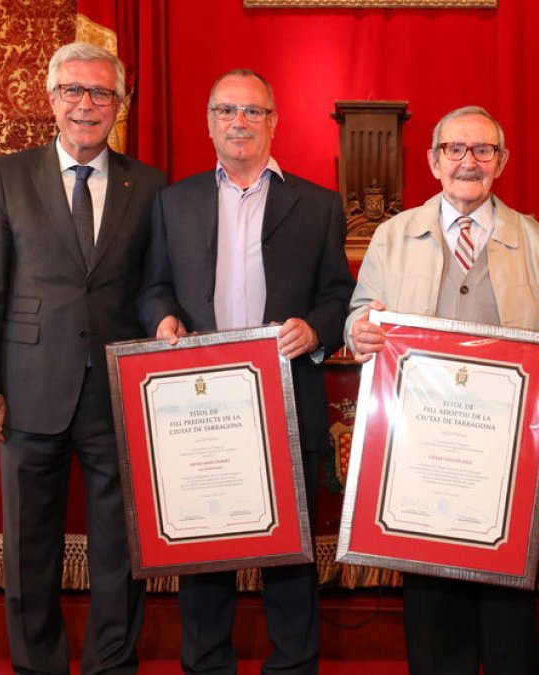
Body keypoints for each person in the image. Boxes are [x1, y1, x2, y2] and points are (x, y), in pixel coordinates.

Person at [345, 105, 539, 675]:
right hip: (417, 454)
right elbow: (360, 317)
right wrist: (358, 331)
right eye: (455, 150)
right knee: (430, 602)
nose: (468, 162)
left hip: (509, 456)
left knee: (507, 604)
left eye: (483, 151)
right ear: (433, 161)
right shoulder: (393, 236)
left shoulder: (538, 242)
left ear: (502, 161)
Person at [137, 68, 354, 675]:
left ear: (273, 122)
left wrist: (314, 329)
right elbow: (153, 288)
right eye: (227, 110)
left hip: (286, 399)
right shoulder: (173, 202)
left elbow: (339, 296)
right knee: (207, 553)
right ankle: (207, 665)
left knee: (290, 553)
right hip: (200, 407)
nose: (239, 122)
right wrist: (163, 323)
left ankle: (293, 665)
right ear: (209, 121)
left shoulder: (317, 205)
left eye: (253, 112)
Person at [0, 42, 167, 675]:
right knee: (29, 545)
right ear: (51, 99)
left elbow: (154, 283)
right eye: (74, 91)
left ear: (120, 106)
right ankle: (37, 665)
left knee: (119, 546)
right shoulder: (9, 174)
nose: (87, 105)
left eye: (101, 94)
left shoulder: (149, 183)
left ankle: (112, 663)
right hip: (27, 389)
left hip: (116, 390)